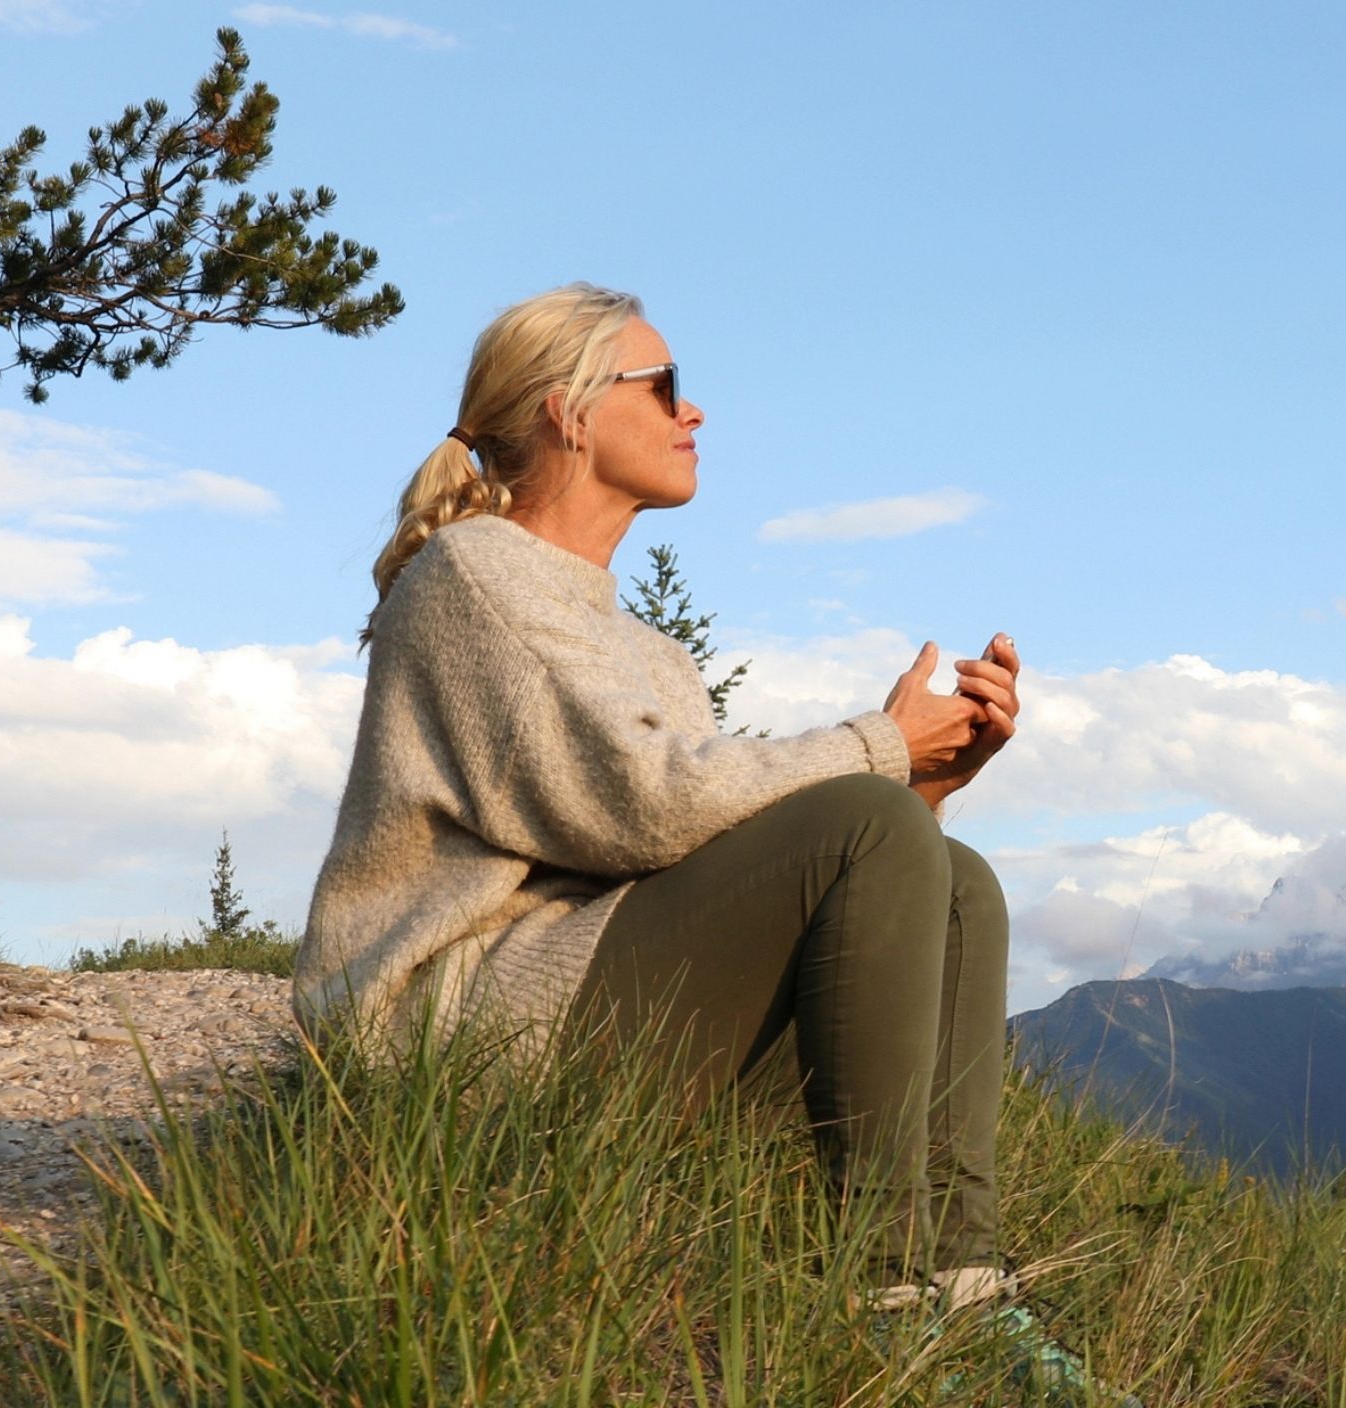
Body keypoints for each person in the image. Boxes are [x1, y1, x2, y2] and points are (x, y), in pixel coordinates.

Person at [296, 283, 1134, 1403]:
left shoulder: (647, 650)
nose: (694, 413)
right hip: (465, 1035)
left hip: (586, 1000)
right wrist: (879, 747)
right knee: (865, 818)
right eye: (666, 386)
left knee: (955, 882)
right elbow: (646, 807)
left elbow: (688, 853)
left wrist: (924, 783)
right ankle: (889, 1296)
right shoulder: (474, 576)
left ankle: (967, 1288)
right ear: (567, 412)